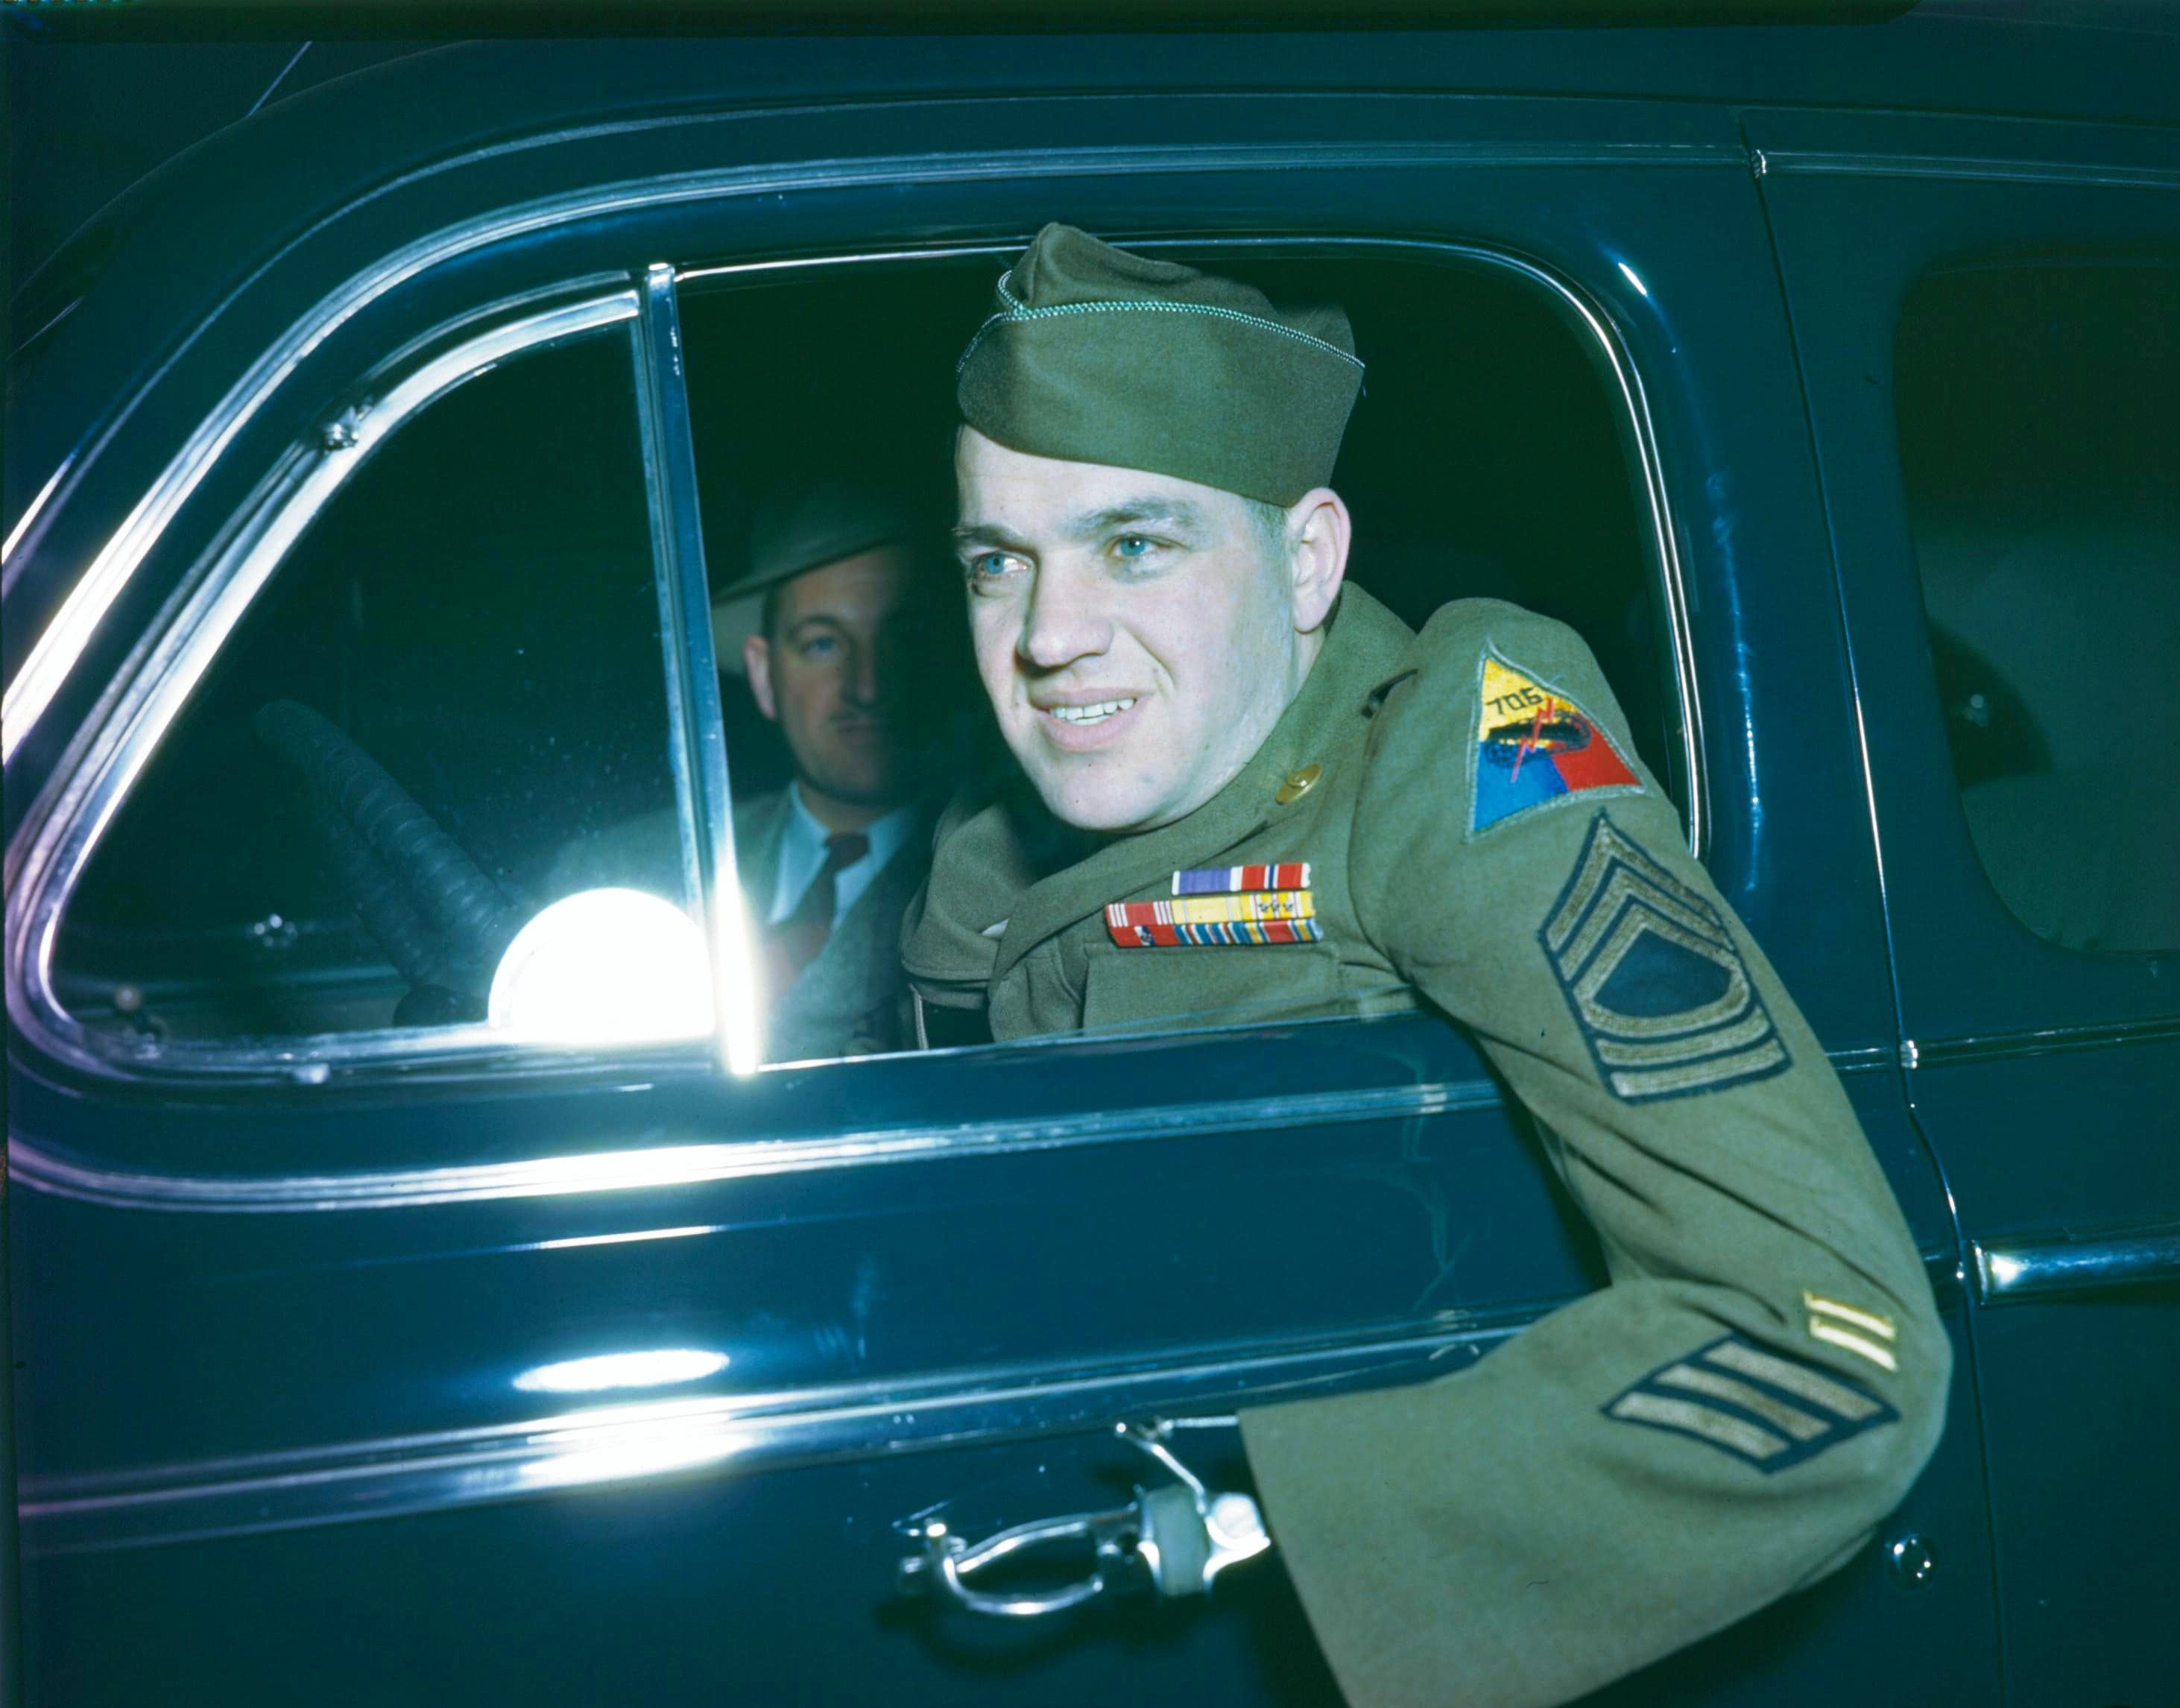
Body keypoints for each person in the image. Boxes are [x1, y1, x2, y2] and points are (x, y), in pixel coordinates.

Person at [901, 225, 1950, 1707]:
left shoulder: (1454, 751)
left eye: (1133, 544)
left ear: (1306, 554)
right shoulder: (981, 843)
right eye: (997, 562)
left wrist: (1264, 1535)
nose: (1047, 636)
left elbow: (1830, 1351)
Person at [555, 479, 950, 1061]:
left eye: (907, 636)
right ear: (764, 676)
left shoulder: (1006, 882)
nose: (868, 686)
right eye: (822, 644)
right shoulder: (621, 880)